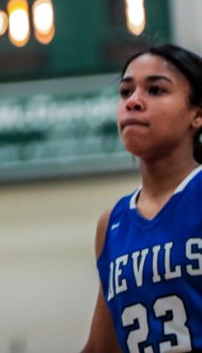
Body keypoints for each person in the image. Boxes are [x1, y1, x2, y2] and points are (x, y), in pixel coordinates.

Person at [80, 44, 202, 353]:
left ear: (197, 115)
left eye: (156, 90)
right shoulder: (112, 223)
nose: (133, 102)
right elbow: (101, 348)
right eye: (125, 92)